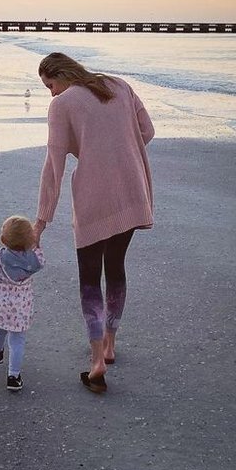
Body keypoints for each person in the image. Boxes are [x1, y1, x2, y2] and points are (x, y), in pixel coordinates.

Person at [33, 51, 154, 394]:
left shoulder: (62, 104)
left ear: (60, 75)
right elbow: (147, 130)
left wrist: (41, 221)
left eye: (50, 85)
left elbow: (53, 166)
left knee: (90, 278)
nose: (51, 93)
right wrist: (116, 151)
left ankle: (97, 358)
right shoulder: (119, 85)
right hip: (132, 192)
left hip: (93, 198)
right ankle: (111, 344)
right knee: (116, 267)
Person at [0, 215, 45, 392]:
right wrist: (35, 243)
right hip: (21, 308)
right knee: (17, 341)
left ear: (3, 239)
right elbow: (41, 259)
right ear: (30, 241)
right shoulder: (34, 259)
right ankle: (13, 375)